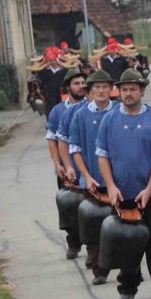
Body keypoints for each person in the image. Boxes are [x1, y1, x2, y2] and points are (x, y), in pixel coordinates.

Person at [95, 69, 151, 299]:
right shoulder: (109, 120)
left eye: (133, 89)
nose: (128, 93)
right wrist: (110, 187)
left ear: (142, 91)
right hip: (121, 193)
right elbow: (102, 156)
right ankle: (128, 287)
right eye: (124, 89)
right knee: (126, 241)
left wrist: (149, 189)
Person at [66, 70, 118, 283]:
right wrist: (86, 175)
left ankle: (129, 269)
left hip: (119, 181)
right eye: (97, 87)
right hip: (93, 180)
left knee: (122, 224)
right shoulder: (80, 116)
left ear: (111, 89)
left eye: (105, 87)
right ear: (90, 91)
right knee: (95, 223)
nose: (101, 91)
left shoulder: (119, 111)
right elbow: (75, 148)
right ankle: (99, 269)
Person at [46, 70, 88, 258]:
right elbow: (52, 140)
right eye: (76, 83)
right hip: (67, 168)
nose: (80, 86)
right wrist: (58, 164)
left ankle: (93, 245)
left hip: (87, 167)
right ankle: (73, 242)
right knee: (69, 207)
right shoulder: (57, 111)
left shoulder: (91, 107)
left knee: (91, 207)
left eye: (83, 83)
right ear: (68, 87)